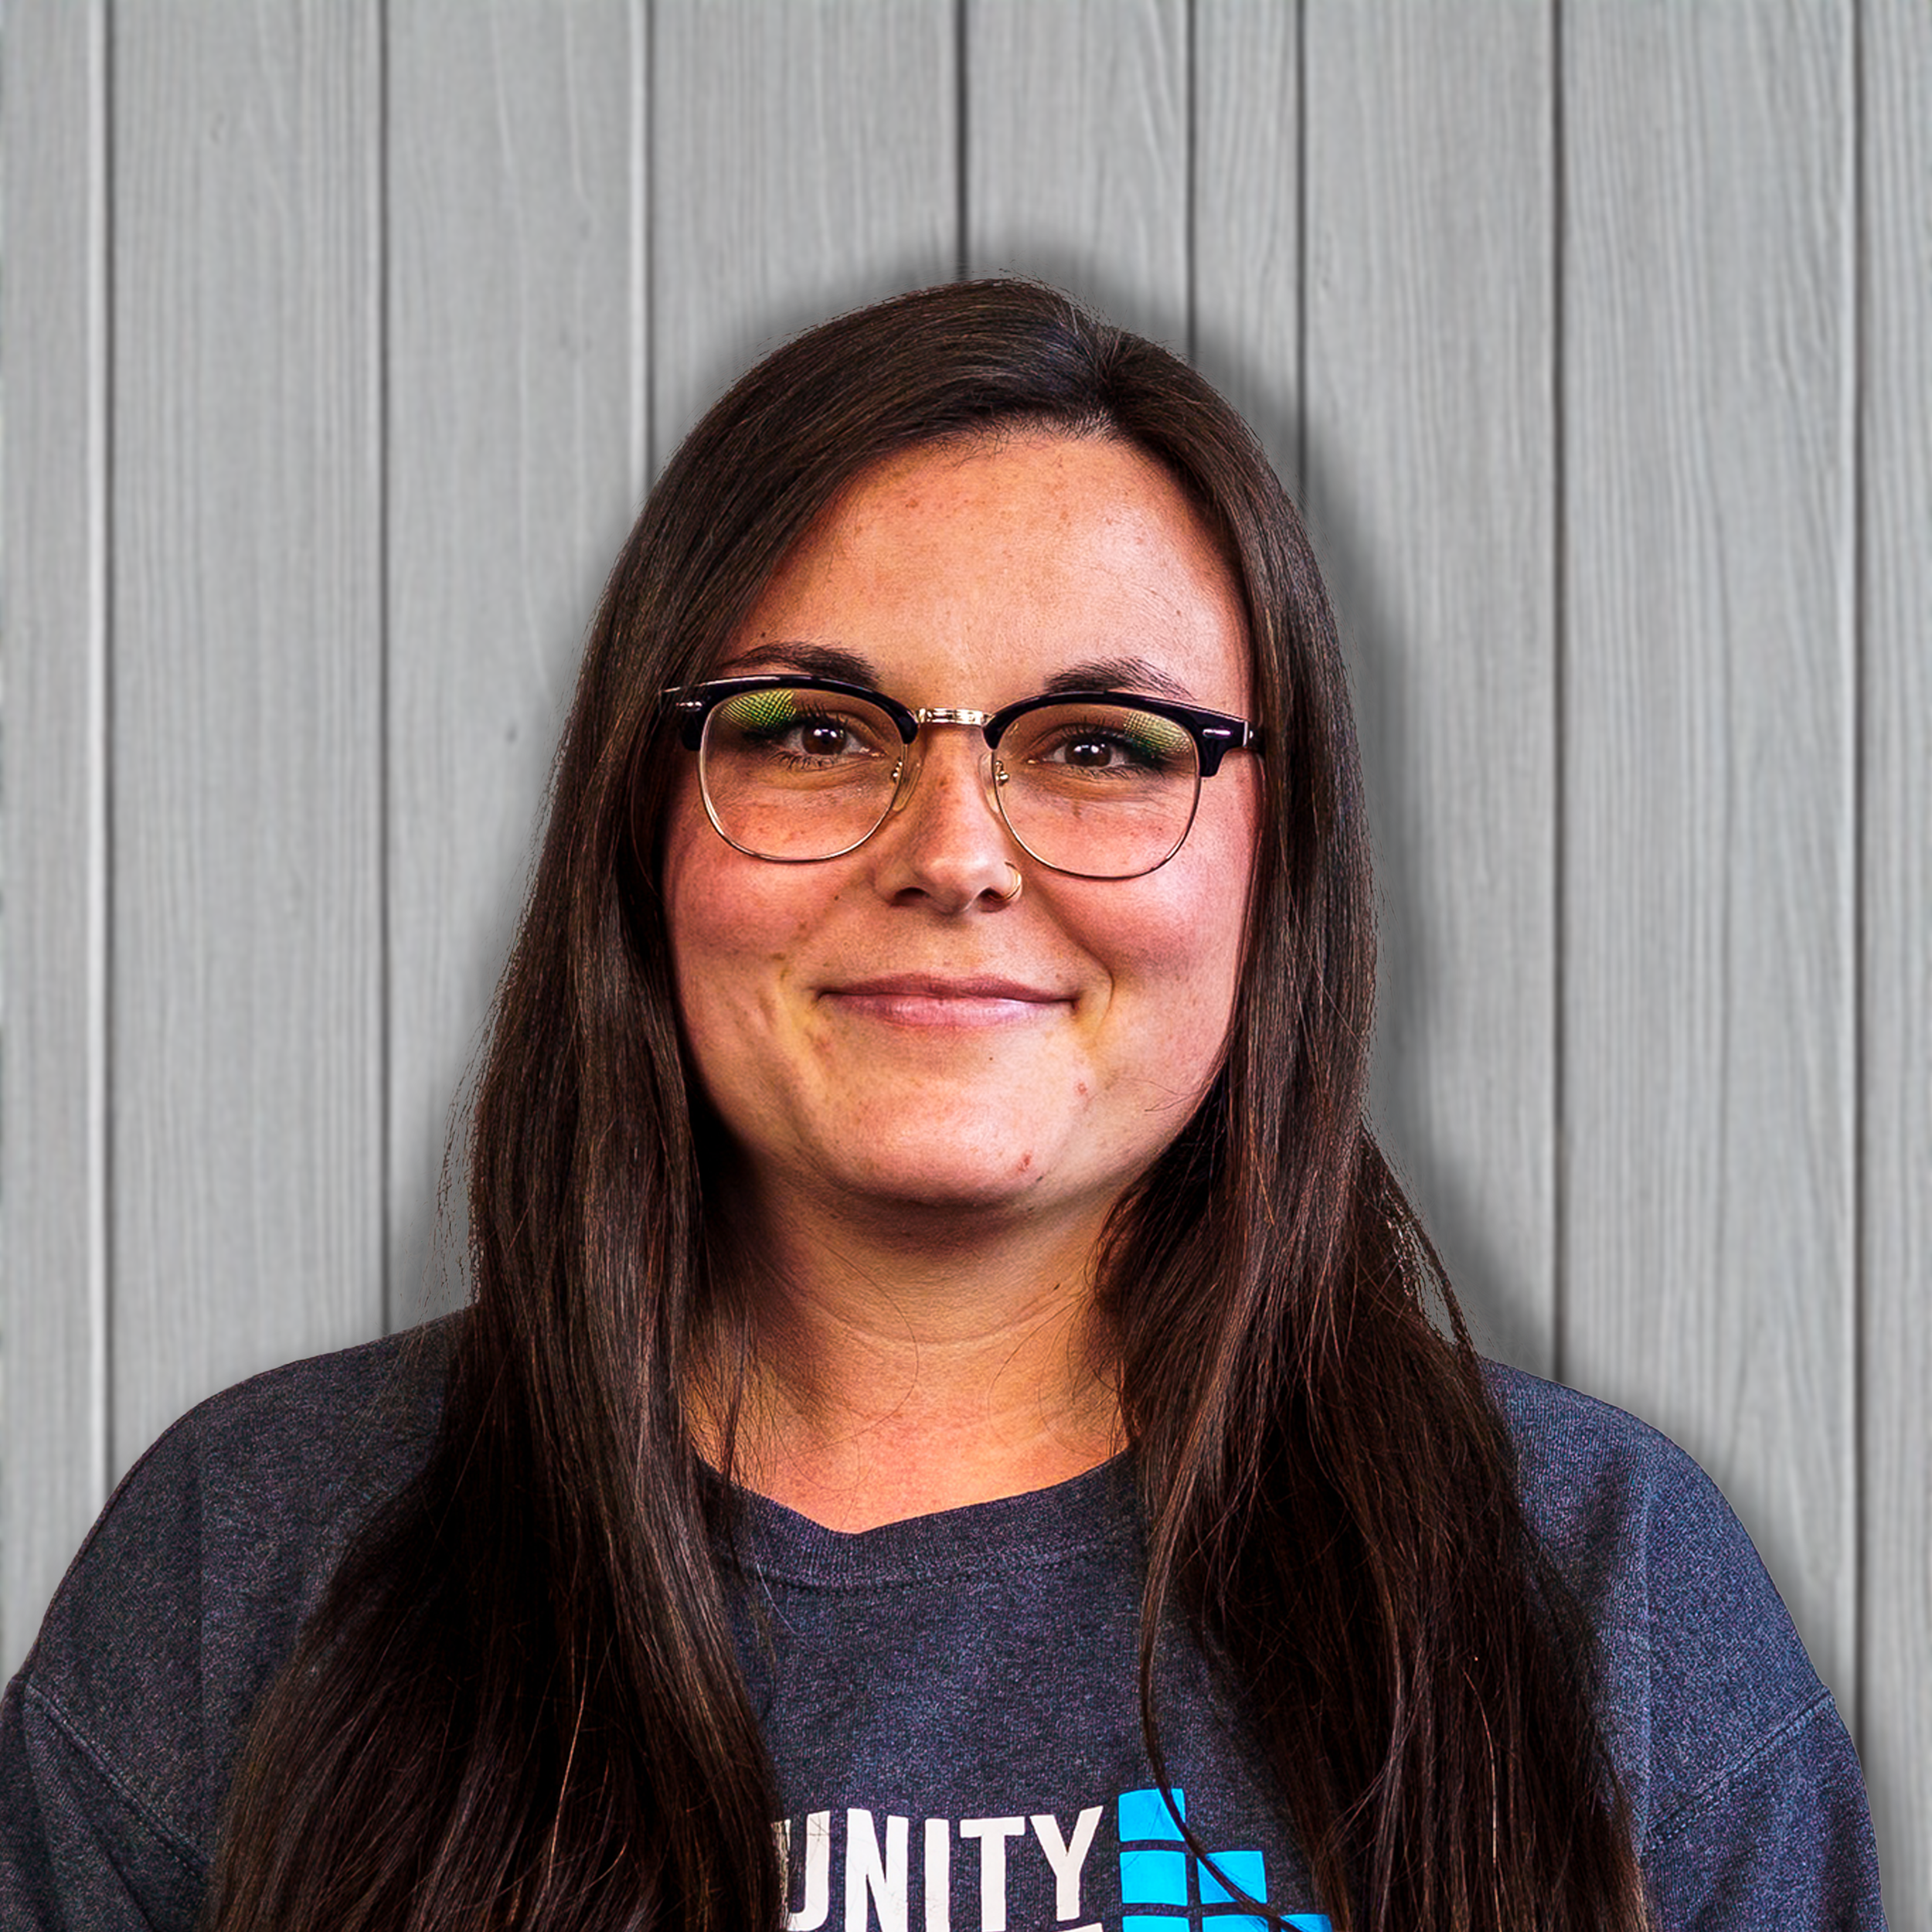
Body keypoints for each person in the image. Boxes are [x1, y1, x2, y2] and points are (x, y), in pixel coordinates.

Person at [0, 281, 1883, 1932]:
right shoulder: (251, 1551)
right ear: (639, 829)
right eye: (819, 730)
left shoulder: (1599, 1586)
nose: (953, 851)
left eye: (1100, 746)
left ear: (1274, 873)